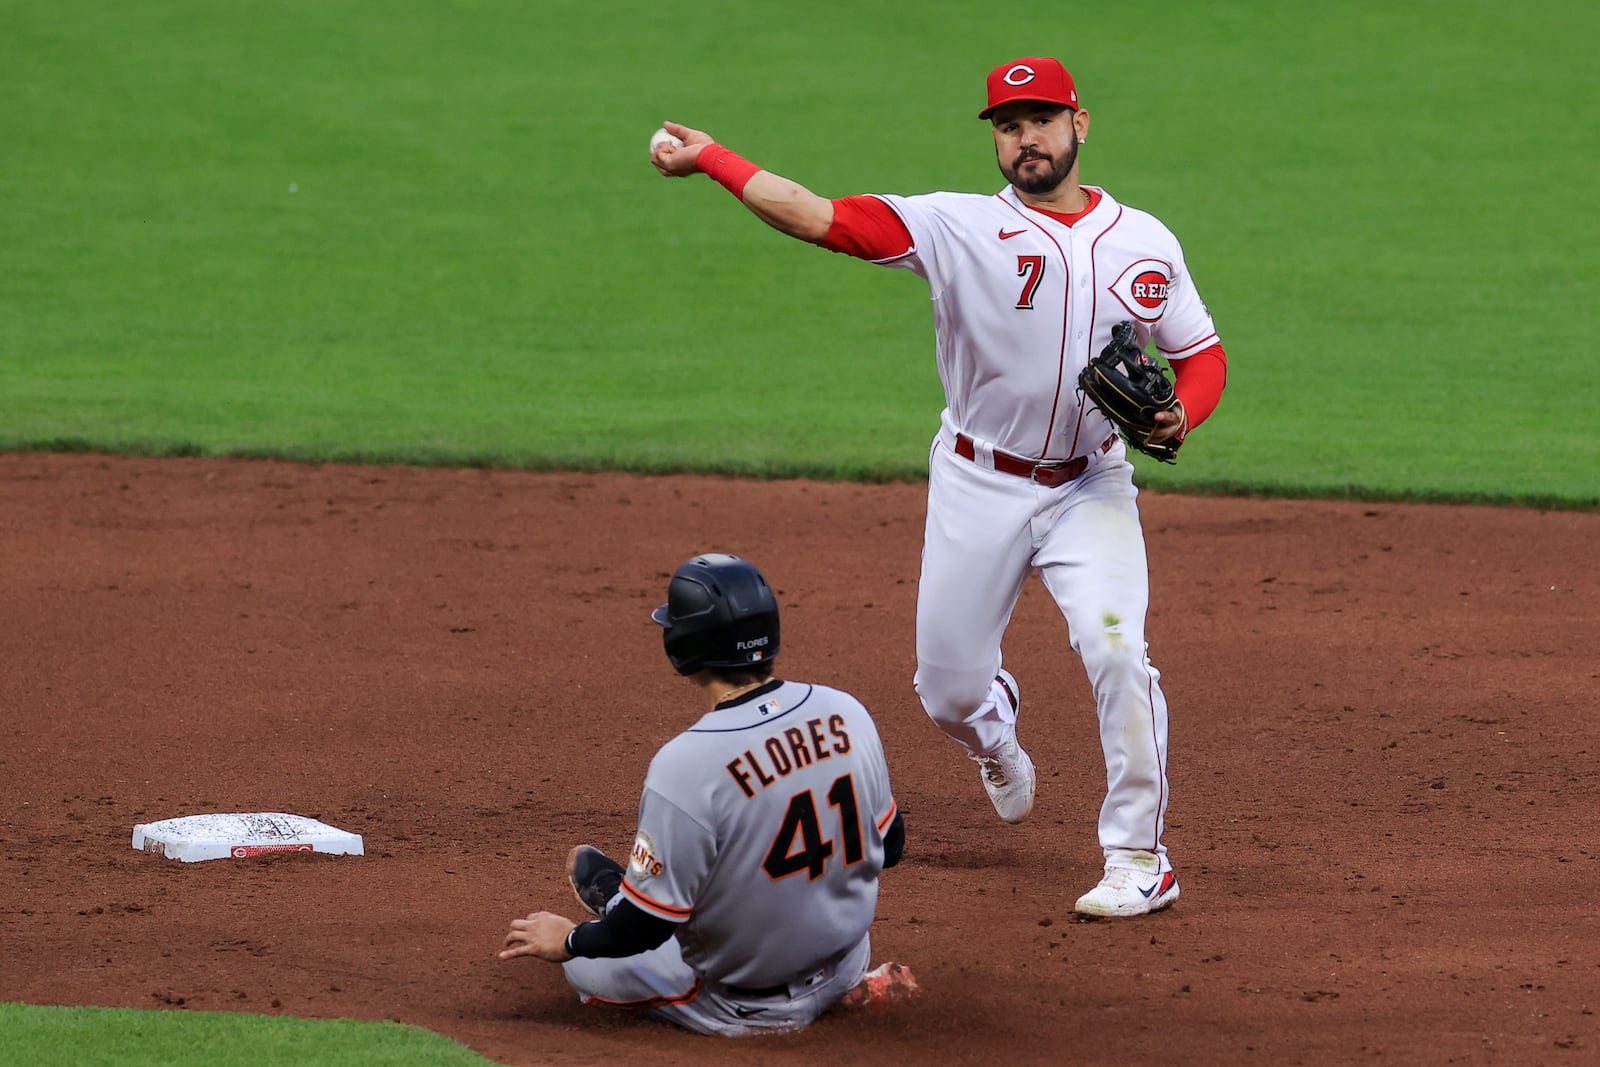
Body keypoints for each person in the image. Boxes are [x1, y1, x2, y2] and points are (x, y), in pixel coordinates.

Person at [648, 57, 1228, 919]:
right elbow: (819, 217)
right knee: (947, 690)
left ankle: (1139, 855)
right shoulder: (954, 227)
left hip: (1090, 487)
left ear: (1080, 123)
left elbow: (1201, 354)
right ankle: (994, 730)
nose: (1024, 137)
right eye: (1006, 123)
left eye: (1040, 119)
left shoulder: (1146, 240)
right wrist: (718, 160)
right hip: (977, 484)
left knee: (1116, 649)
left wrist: (1183, 415)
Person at [498, 553, 906, 1034]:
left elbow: (641, 933)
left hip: (747, 1005)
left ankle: (623, 899)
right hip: (846, 962)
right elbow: (891, 846)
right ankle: (645, 896)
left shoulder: (685, 764)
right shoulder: (847, 712)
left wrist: (568, 940)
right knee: (749, 860)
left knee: (588, 964)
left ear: (682, 649)